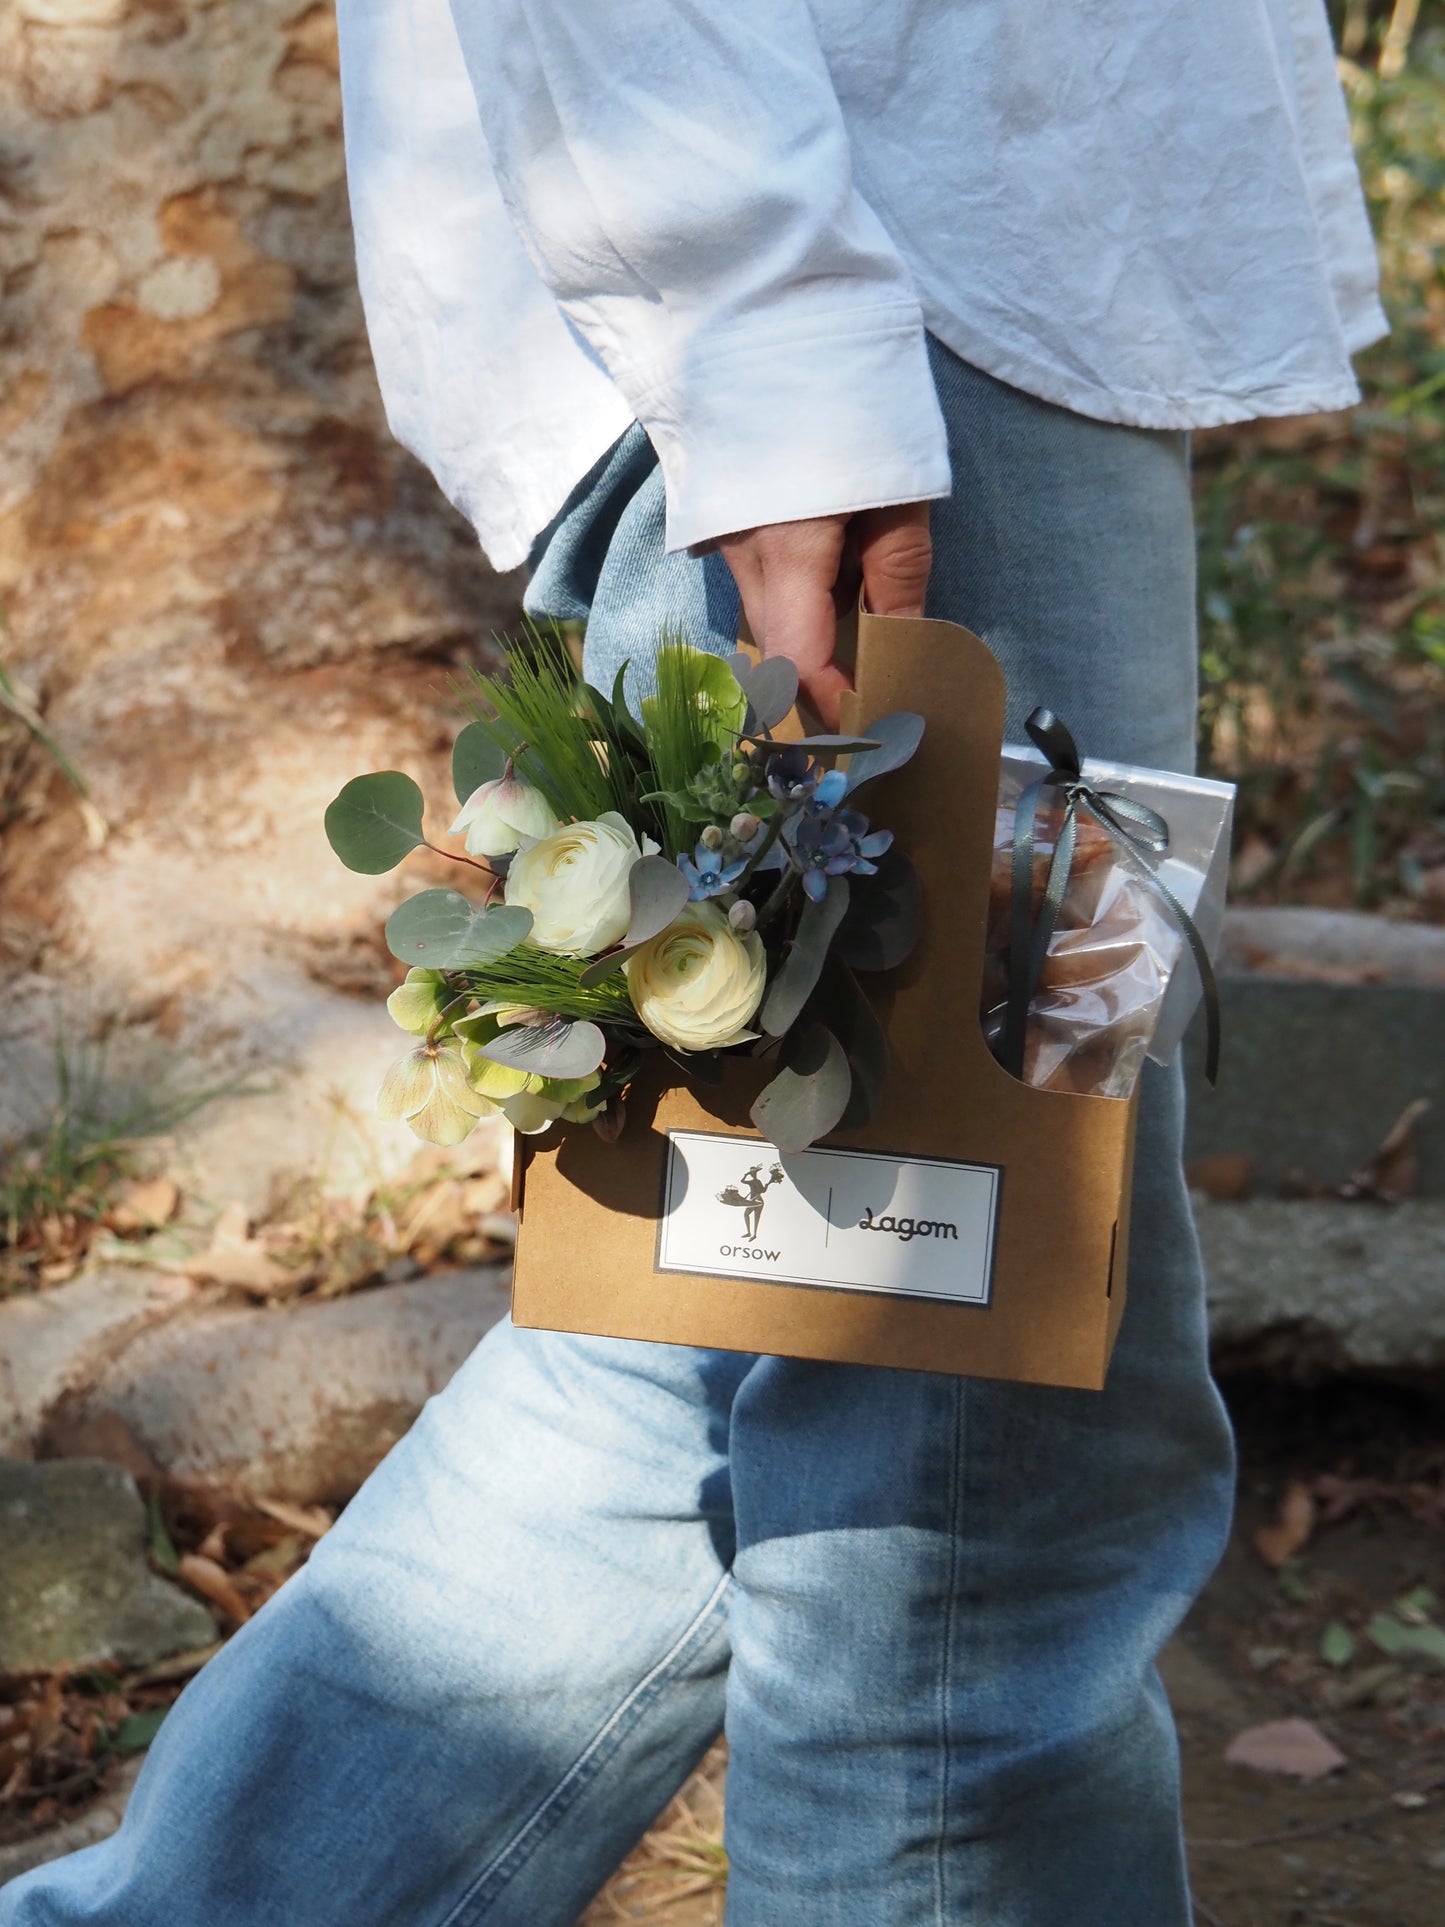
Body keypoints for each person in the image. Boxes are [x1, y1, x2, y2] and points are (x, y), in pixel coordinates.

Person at [3, 3, 1382, 1922]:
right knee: (972, 1460)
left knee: (699, 1347)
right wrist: (778, 341)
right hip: (885, 328)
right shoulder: (832, 344)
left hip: (909, 294)